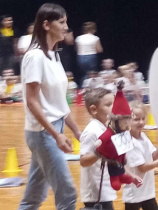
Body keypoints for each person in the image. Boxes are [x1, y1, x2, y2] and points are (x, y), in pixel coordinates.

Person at [19, 3, 81, 210]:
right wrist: (56, 135)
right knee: (68, 194)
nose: (66, 27)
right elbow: (32, 101)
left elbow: (59, 102)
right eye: (61, 22)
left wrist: (75, 130)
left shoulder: (54, 55)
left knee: (33, 198)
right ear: (46, 24)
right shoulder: (34, 56)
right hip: (42, 134)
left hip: (53, 130)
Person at [123, 101, 158, 210]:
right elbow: (142, 167)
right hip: (134, 193)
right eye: (136, 119)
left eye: (143, 118)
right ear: (127, 121)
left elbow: (152, 156)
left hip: (147, 191)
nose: (141, 122)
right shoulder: (129, 141)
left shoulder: (143, 136)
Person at [80, 88, 117, 209]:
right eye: (108, 105)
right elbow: (84, 161)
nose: (113, 108)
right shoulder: (92, 131)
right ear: (94, 109)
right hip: (96, 195)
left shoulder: (106, 128)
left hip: (106, 190)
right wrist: (100, 152)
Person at [75, 21, 103, 87]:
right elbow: (99, 49)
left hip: (80, 57)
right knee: (92, 74)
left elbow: (76, 49)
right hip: (91, 57)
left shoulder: (78, 38)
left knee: (83, 74)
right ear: (93, 29)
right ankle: (92, 87)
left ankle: (82, 87)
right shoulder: (95, 38)